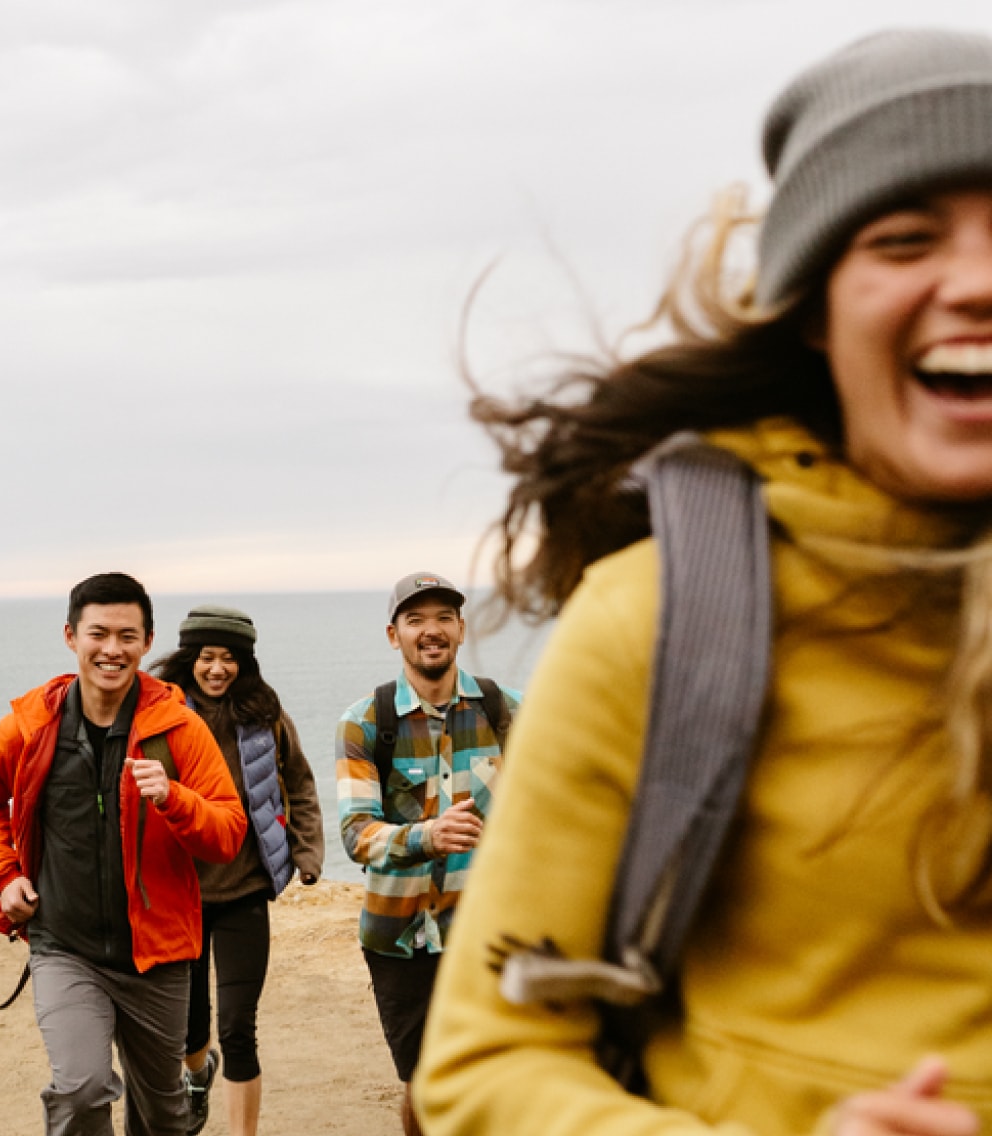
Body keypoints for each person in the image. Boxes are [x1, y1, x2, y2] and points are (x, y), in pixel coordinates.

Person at [413, 27, 992, 1136]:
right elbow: (483, 1064)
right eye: (905, 238)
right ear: (815, 310)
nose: (974, 281)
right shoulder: (663, 619)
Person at [0, 572, 248, 1136]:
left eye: (127, 636)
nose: (112, 649)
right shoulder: (31, 724)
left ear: (147, 642)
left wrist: (174, 798)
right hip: (65, 948)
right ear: (71, 637)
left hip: (159, 958)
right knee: (80, 1088)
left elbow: (228, 832)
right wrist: (6, 876)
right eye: (98, 634)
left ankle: (183, 1097)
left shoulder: (179, 729)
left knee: (162, 1116)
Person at [336, 571, 521, 1136]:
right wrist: (425, 836)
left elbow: (548, 816)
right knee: (425, 1086)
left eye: (443, 617)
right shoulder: (366, 721)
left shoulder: (505, 710)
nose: (431, 630)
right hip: (400, 938)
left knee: (498, 1079)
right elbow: (355, 833)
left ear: (461, 629)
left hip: (489, 933)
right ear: (395, 635)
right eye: (416, 620)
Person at [149, 603, 326, 1136]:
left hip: (245, 888)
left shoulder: (265, 716)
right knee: (189, 1025)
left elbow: (299, 784)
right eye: (207, 657)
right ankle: (198, 1074)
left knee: (238, 1026)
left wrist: (307, 853)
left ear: (245, 664)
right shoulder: (161, 716)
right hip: (180, 892)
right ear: (189, 660)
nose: (217, 669)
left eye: (229, 658)